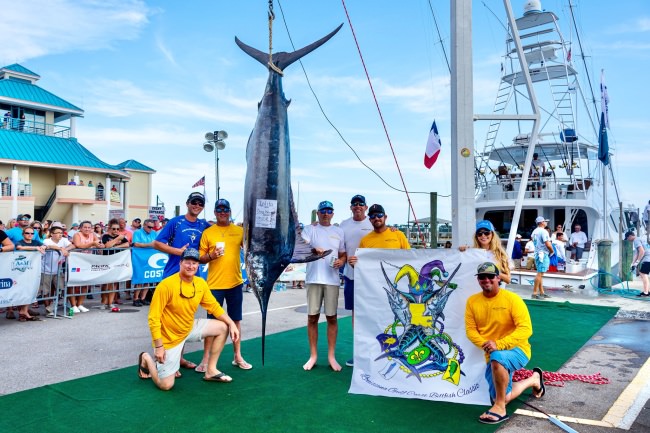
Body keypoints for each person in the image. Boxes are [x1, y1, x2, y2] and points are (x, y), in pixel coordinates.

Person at [137, 248, 239, 390]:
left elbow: (214, 307)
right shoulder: (166, 285)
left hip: (188, 327)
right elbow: (153, 318)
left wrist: (231, 323)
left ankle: (211, 371)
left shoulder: (200, 283)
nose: (191, 266)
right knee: (166, 385)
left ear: (198, 266)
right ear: (180, 263)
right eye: (187, 262)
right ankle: (147, 358)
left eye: (194, 263)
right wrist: (159, 347)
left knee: (223, 327)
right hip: (169, 338)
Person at [465, 262, 545, 424]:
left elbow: (526, 329)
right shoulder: (472, 302)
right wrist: (488, 345)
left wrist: (499, 345)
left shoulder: (512, 299)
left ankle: (500, 408)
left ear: (498, 278)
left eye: (490, 276)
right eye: (482, 277)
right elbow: (471, 331)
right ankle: (534, 379)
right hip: (493, 354)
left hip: (518, 350)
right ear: (478, 280)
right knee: (503, 395)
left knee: (497, 360)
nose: (486, 280)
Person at [197, 198, 252, 372]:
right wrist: (211, 256)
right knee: (211, 322)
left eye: (225, 210)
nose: (222, 212)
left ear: (229, 212)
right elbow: (200, 257)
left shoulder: (239, 231)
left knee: (236, 320)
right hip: (214, 284)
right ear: (214, 212)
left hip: (235, 283)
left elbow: (250, 249)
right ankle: (205, 359)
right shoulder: (208, 232)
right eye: (219, 210)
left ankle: (237, 356)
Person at [300, 200, 347, 371]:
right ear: (318, 213)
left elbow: (343, 254)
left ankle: (331, 356)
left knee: (332, 318)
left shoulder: (339, 231)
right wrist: (313, 249)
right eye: (323, 211)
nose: (326, 213)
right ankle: (313, 356)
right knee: (312, 317)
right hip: (313, 279)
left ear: (333, 213)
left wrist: (341, 261)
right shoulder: (309, 229)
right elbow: (302, 246)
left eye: (329, 211)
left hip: (332, 280)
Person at [339, 194, 373, 367]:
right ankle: (359, 353)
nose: (358, 206)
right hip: (352, 277)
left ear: (366, 208)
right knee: (355, 316)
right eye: (355, 204)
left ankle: (376, 352)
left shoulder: (372, 223)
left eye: (361, 204)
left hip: (372, 280)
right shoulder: (344, 225)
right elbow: (339, 248)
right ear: (350, 207)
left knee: (374, 314)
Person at [153, 192, 210, 279]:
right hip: (174, 272)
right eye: (194, 202)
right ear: (187, 204)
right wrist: (179, 252)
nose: (197, 206)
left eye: (201, 204)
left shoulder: (203, 224)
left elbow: (219, 229)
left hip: (193, 274)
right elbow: (157, 244)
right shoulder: (175, 222)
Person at [42, 225, 75, 316]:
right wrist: (61, 249)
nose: (60, 235)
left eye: (61, 233)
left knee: (61, 289)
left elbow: (72, 245)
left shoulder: (64, 240)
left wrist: (66, 249)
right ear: (52, 234)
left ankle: (51, 307)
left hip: (58, 270)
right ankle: (48, 310)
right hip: (46, 270)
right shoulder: (47, 240)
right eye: (58, 233)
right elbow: (49, 246)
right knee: (46, 291)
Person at [15, 226, 46, 322]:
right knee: (21, 291)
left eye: (32, 233)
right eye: (27, 233)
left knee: (30, 290)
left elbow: (45, 245)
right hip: (20, 271)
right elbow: (20, 247)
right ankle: (22, 311)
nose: (30, 235)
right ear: (23, 234)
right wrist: (36, 248)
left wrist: (42, 247)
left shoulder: (36, 242)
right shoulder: (20, 241)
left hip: (32, 271)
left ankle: (24, 312)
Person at [71, 221, 103, 313]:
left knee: (85, 284)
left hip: (87, 261)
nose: (87, 229)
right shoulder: (77, 234)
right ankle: (73, 305)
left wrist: (101, 245)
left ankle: (80, 304)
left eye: (89, 227)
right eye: (85, 227)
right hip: (76, 262)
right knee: (73, 284)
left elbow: (99, 243)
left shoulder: (92, 234)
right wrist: (93, 244)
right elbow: (78, 245)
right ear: (80, 228)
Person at [101, 219, 130, 310]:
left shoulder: (121, 236)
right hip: (107, 261)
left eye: (117, 229)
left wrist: (117, 246)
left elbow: (127, 244)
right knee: (106, 284)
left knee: (114, 283)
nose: (116, 231)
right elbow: (107, 246)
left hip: (117, 262)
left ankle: (110, 303)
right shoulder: (105, 236)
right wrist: (117, 239)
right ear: (110, 228)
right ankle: (103, 302)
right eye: (114, 229)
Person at [132, 219, 158, 306]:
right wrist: (149, 245)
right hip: (139, 259)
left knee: (148, 279)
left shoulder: (154, 233)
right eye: (149, 227)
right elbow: (136, 244)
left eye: (152, 227)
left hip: (150, 258)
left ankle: (143, 298)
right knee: (140, 279)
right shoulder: (137, 232)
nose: (151, 229)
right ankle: (136, 298)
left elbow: (157, 243)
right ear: (144, 225)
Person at [531, 216, 554, 299]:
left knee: (540, 273)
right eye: (545, 221)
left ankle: (541, 292)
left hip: (537, 253)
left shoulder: (534, 231)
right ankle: (534, 293)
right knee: (540, 274)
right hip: (543, 254)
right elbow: (548, 244)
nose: (546, 222)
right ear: (541, 222)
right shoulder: (543, 231)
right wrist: (552, 251)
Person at [628, 231, 650, 297]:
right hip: (648, 258)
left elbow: (642, 251)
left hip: (647, 259)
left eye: (627, 238)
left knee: (643, 273)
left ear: (630, 236)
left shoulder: (636, 240)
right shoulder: (640, 239)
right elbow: (637, 253)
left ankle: (646, 293)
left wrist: (637, 262)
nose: (628, 240)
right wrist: (633, 264)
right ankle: (647, 291)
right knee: (644, 274)